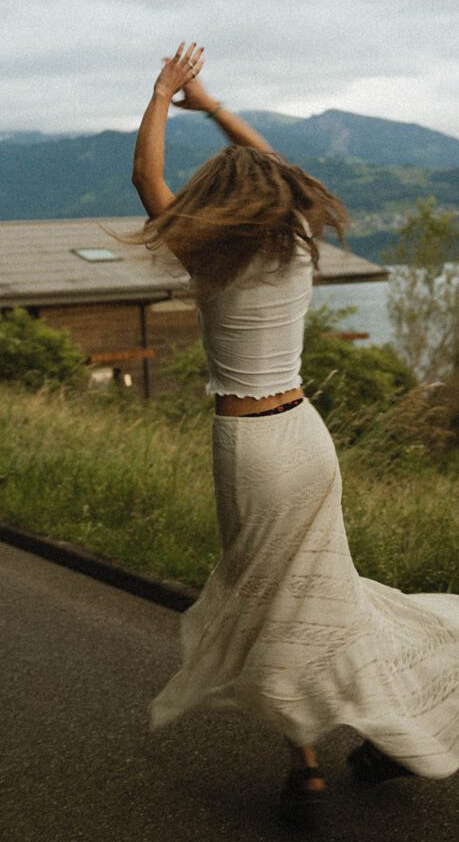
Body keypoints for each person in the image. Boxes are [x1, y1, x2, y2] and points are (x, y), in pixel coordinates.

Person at [130, 43, 459, 829]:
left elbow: (146, 181)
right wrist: (207, 106)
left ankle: (307, 769)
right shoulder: (297, 243)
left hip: (246, 447)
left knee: (273, 605)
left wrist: (157, 95)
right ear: (279, 194)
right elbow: (276, 169)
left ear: (213, 203)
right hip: (307, 438)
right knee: (321, 596)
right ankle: (390, 731)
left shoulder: (206, 251)